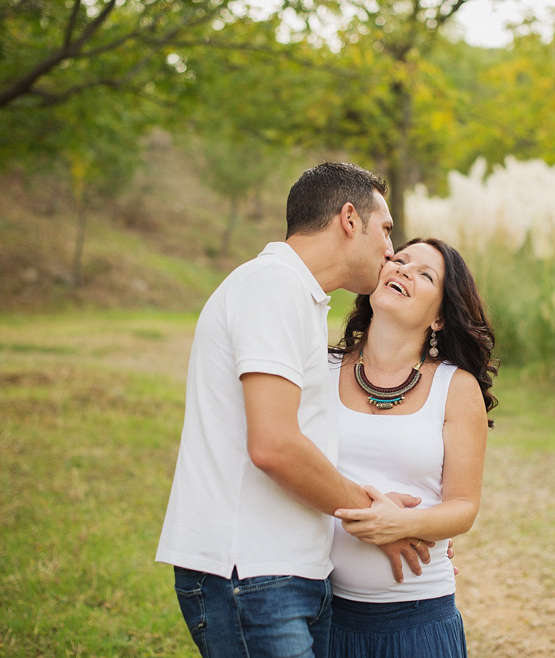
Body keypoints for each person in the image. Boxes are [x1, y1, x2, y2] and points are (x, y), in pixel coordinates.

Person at [155, 162, 433, 658]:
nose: (391, 250)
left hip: (287, 573)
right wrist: (373, 516)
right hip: (250, 572)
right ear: (350, 219)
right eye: (386, 229)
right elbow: (275, 445)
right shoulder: (272, 286)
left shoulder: (298, 297)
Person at [326, 237, 498, 656]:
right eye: (399, 260)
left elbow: (463, 507)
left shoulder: (456, 388)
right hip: (321, 612)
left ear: (439, 318)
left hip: (417, 619)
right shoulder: (320, 369)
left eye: (425, 274)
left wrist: (403, 524)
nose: (403, 269)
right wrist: (371, 514)